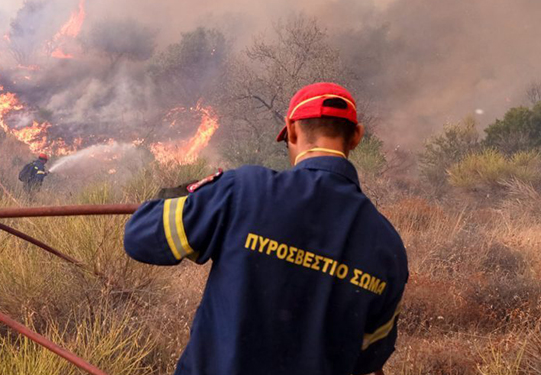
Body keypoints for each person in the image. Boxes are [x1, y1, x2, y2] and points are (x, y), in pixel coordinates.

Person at [123, 82, 408, 375]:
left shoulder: (245, 191)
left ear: (292, 130)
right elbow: (369, 358)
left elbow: (141, 237)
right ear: (357, 137)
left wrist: (191, 196)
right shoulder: (388, 247)